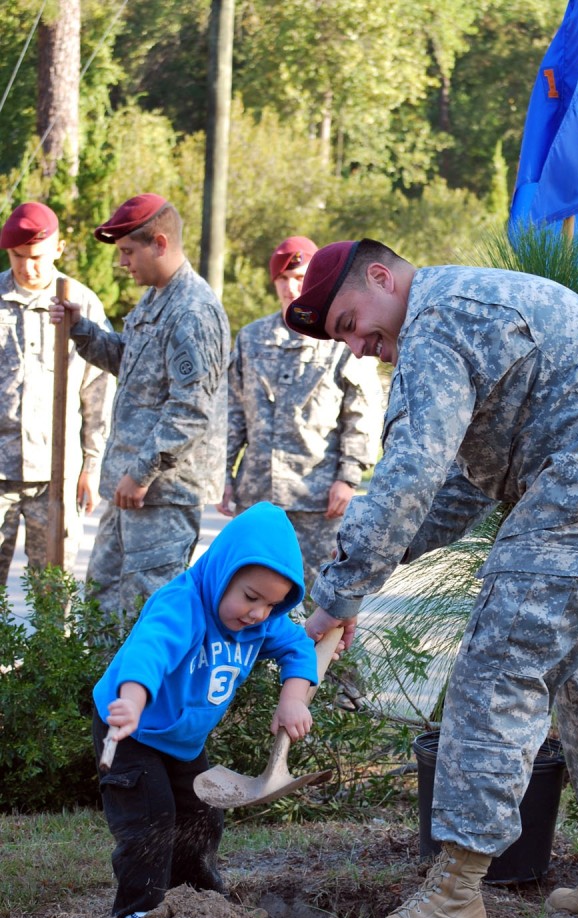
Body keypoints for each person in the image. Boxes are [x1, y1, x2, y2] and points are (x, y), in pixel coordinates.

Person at [285, 238, 578, 918]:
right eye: (343, 338)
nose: (357, 347)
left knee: (496, 673)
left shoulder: (436, 320)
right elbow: (455, 490)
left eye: (351, 321)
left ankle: (451, 902)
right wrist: (359, 583)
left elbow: (410, 469)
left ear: (382, 277)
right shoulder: (478, 300)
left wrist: (335, 597)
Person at [92, 501, 319, 918]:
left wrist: (293, 698)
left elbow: (298, 646)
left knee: (203, 815)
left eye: (271, 606)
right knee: (150, 822)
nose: (258, 614)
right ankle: (137, 915)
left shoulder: (258, 621)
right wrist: (134, 701)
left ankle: (196, 901)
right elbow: (149, 650)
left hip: (182, 741)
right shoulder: (183, 605)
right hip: (131, 732)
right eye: (251, 597)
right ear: (223, 570)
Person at [51, 194, 229, 620]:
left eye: (128, 252)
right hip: (129, 489)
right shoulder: (155, 299)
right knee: (101, 604)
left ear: (161, 243)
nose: (123, 263)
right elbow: (130, 364)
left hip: (160, 494)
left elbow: (191, 410)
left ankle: (143, 691)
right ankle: (97, 689)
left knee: (147, 616)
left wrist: (142, 471)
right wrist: (82, 330)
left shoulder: (192, 311)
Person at [219, 235, 384, 596]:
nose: (292, 287)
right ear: (274, 281)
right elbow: (233, 412)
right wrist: (224, 474)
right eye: (284, 278)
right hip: (257, 495)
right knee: (249, 595)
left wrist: (349, 476)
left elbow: (360, 413)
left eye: (301, 277)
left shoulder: (338, 333)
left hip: (317, 498)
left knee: (315, 597)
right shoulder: (251, 338)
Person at [0, 201, 114, 585]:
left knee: (53, 594)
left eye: (37, 257)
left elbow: (99, 391)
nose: (27, 267)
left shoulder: (80, 303)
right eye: (18, 257)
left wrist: (92, 466)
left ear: (59, 249)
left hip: (56, 475)